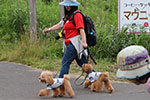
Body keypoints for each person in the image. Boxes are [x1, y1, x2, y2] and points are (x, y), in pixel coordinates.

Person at [43, 0, 90, 78]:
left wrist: (84, 42)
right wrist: (49, 29)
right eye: (66, 5)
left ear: (73, 5)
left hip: (74, 43)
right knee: (83, 64)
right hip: (69, 42)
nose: (67, 6)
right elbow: (60, 24)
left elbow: (82, 30)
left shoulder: (77, 15)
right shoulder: (68, 16)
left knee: (65, 62)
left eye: (69, 5)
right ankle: (97, 77)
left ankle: (61, 82)